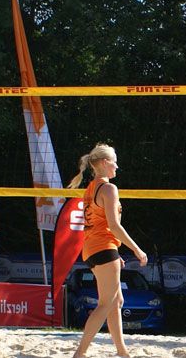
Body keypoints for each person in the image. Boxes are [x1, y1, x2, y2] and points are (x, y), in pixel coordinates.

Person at [69, 143, 148, 358]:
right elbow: (114, 225)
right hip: (102, 247)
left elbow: (101, 226)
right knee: (105, 304)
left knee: (116, 302)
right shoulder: (109, 188)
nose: (117, 166)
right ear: (104, 163)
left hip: (94, 249)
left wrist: (115, 252)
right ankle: (80, 353)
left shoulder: (91, 188)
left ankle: (122, 352)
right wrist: (137, 250)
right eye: (114, 161)